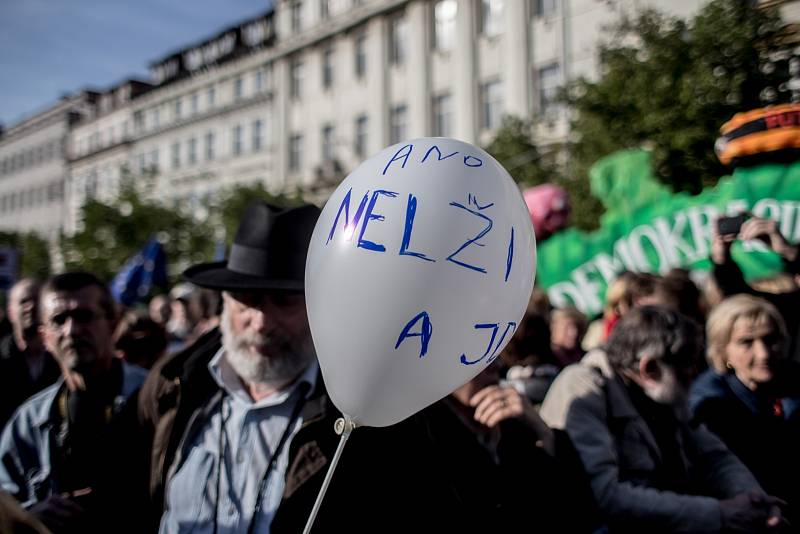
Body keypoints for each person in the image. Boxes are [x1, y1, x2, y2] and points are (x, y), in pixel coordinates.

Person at [541, 306, 784, 533]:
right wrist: (718, 513)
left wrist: (753, 499)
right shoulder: (585, 388)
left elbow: (712, 455)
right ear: (649, 368)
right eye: (687, 368)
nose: (693, 378)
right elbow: (606, 494)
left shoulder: (662, 390)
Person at [0, 272, 148, 533]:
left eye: (84, 316)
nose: (72, 330)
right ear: (45, 336)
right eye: (59, 320)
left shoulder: (153, 401)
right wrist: (30, 516)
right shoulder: (29, 423)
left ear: (113, 324)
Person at [690, 294, 800, 525]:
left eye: (770, 339)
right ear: (723, 350)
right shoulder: (710, 405)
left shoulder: (793, 379)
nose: (763, 354)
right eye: (746, 342)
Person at [711, 214, 800, 360]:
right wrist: (722, 260)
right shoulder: (790, 311)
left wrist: (789, 252)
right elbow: (744, 304)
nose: (763, 354)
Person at [0, 279, 60, 429]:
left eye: (37, 300)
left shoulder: (63, 356)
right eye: (24, 301)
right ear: (11, 312)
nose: (31, 306)